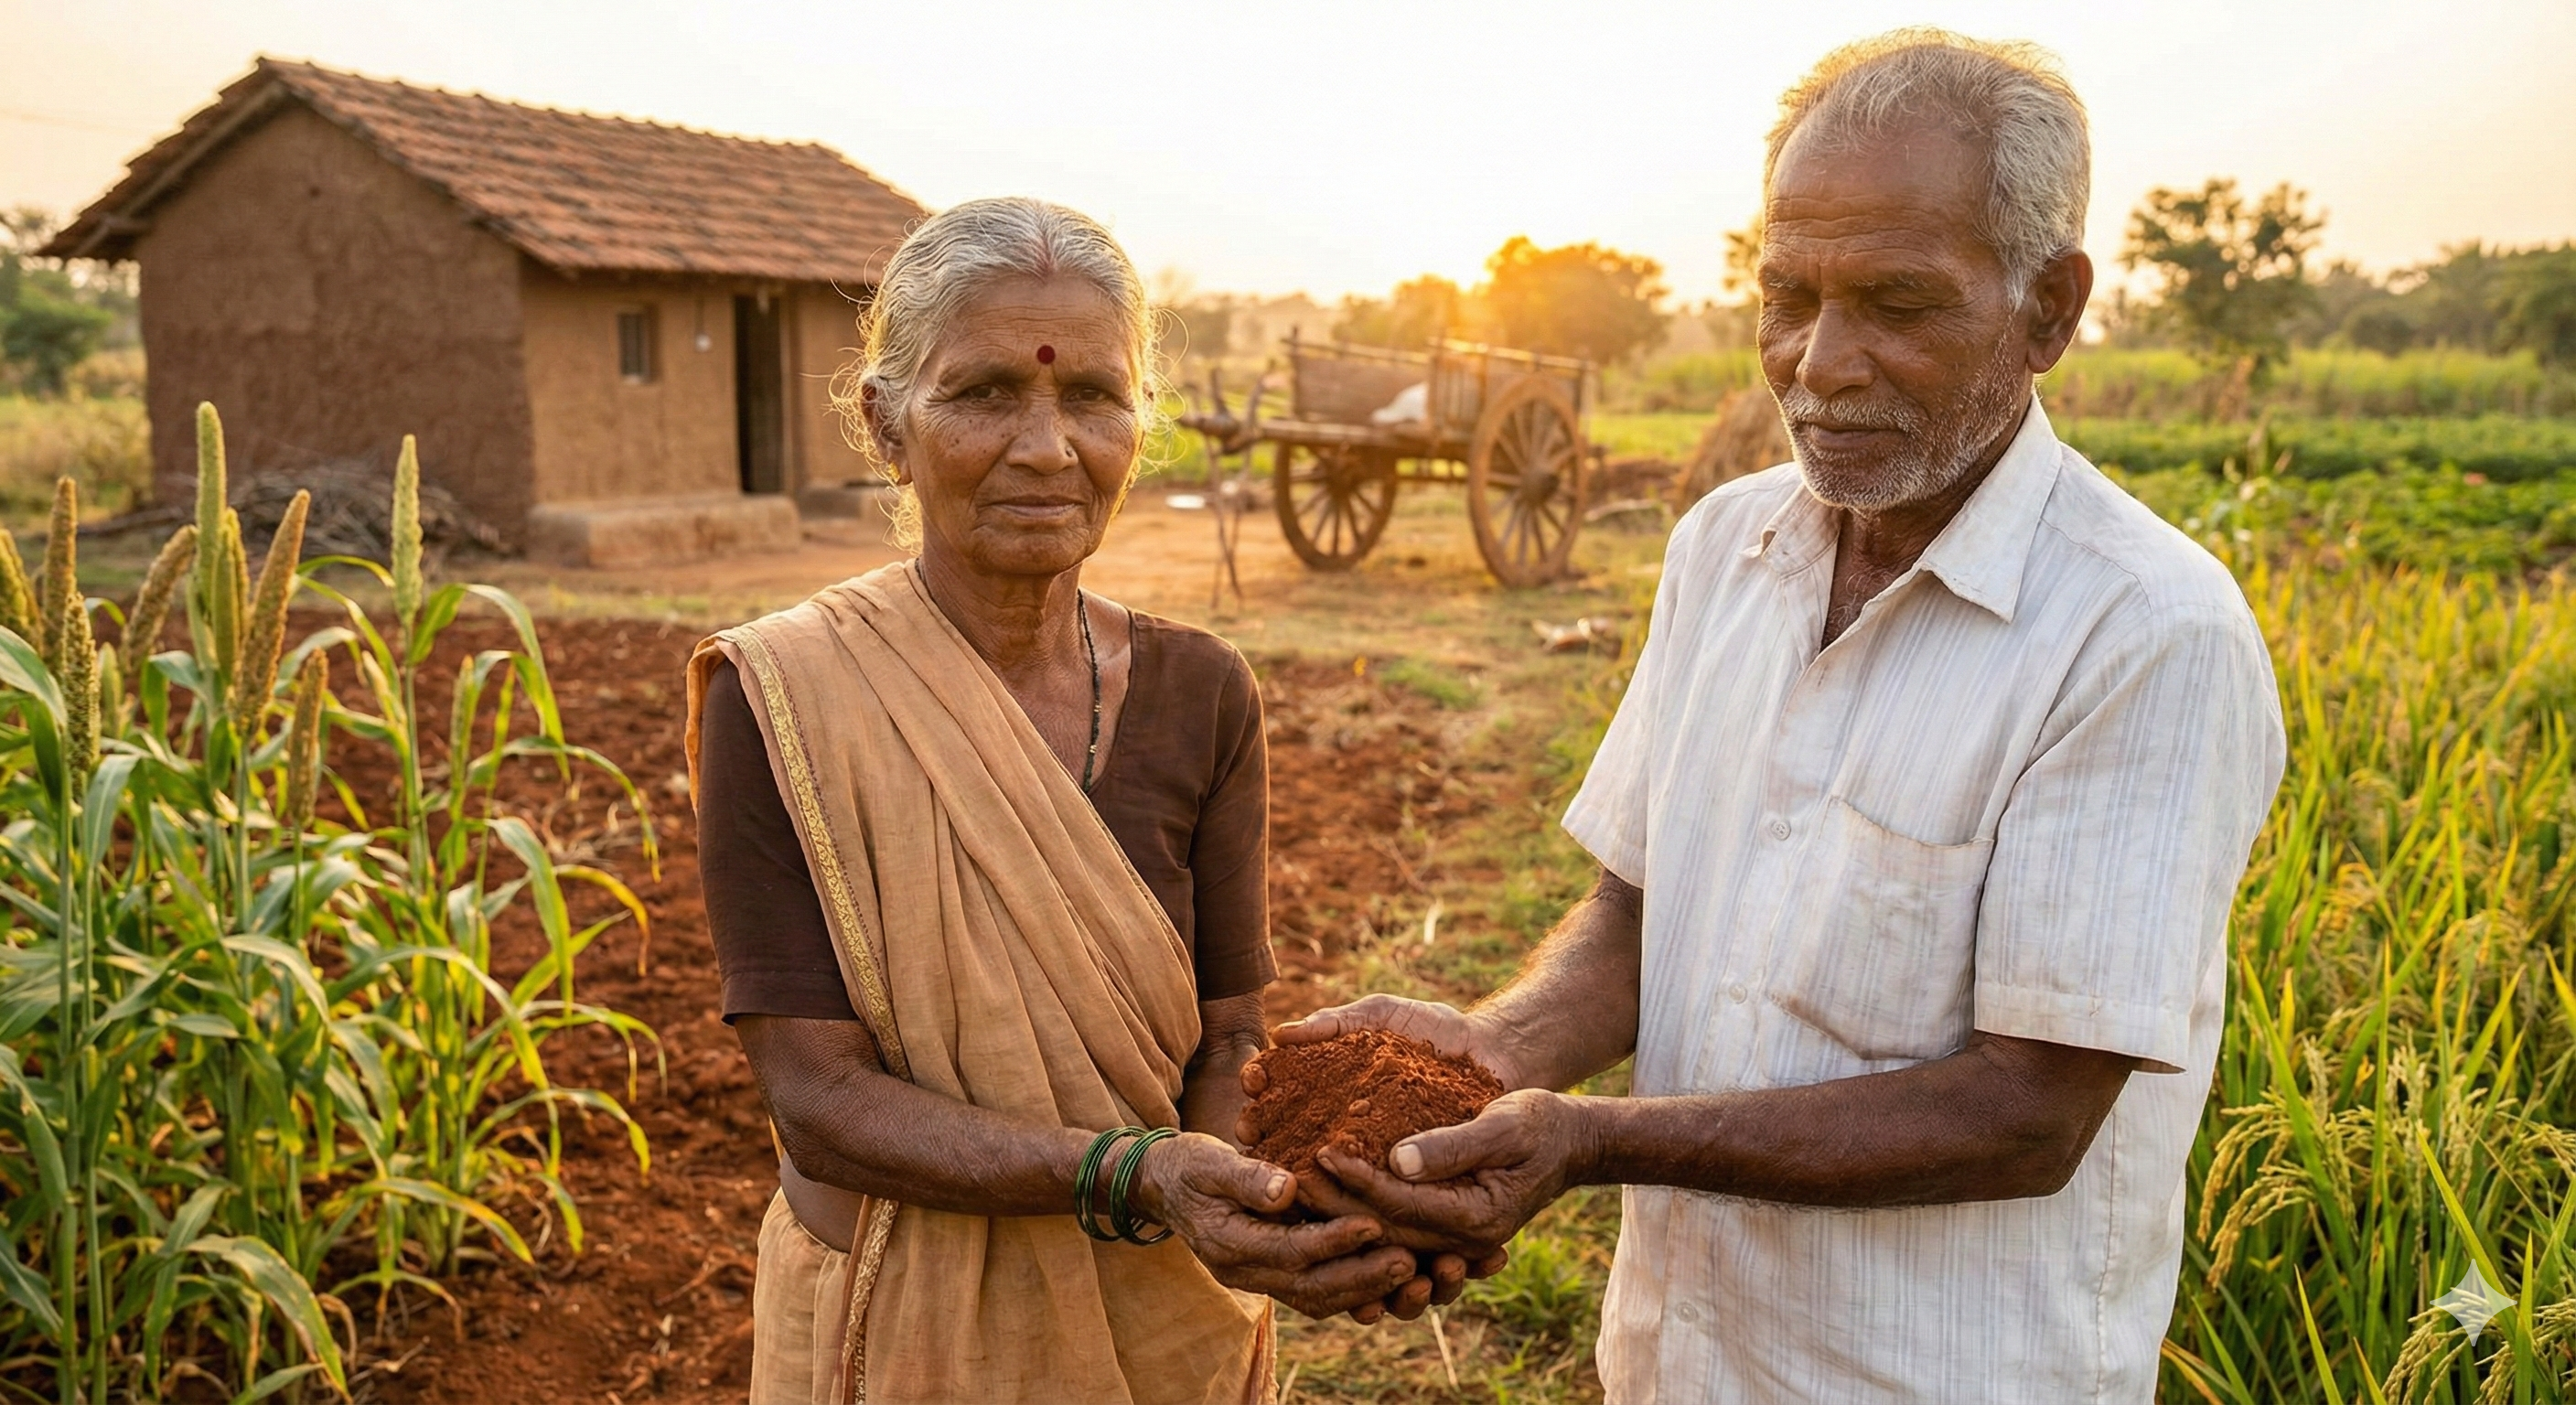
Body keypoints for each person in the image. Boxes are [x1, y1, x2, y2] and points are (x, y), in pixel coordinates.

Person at [1271, 30, 2288, 1403]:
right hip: (1680, 1359)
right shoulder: (1725, 549)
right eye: (1787, 295)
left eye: (1897, 302)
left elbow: (2027, 1115)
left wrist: (1587, 1142)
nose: (1821, 362)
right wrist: (1498, 1050)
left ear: (2049, 309)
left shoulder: (2144, 632)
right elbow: (1641, 910)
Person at [687, 198, 1438, 1405]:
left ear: (1142, 425)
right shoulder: (787, 695)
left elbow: (1229, 1027)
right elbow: (817, 1102)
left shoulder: (1204, 693)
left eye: (1092, 395)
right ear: (887, 422)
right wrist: (1144, 1178)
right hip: (897, 1325)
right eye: (986, 393)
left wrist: (1254, 1196)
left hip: (1158, 1319)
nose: (1046, 447)